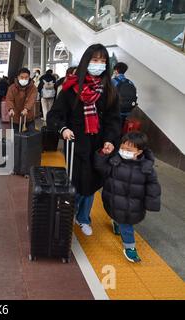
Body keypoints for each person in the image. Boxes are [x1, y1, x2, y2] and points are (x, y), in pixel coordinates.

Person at [47, 43, 121, 236]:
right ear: (86, 62)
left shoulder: (109, 90)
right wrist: (63, 129)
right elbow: (54, 115)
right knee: (76, 183)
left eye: (103, 61)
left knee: (91, 184)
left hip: (99, 147)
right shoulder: (71, 88)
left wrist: (111, 140)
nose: (99, 64)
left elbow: (114, 119)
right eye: (95, 60)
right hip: (76, 145)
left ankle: (83, 218)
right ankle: (69, 213)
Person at [94, 131, 161, 262]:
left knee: (127, 226)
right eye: (122, 148)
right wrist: (103, 154)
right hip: (114, 199)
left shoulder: (146, 169)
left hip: (132, 205)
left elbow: (153, 186)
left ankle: (129, 247)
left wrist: (152, 203)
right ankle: (116, 223)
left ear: (139, 152)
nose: (124, 151)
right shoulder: (115, 161)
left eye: (128, 149)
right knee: (119, 218)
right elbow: (101, 168)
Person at [6, 68, 37, 132]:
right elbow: (9, 99)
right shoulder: (12, 88)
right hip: (15, 116)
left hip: (28, 116)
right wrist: (11, 109)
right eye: (22, 77)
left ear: (29, 77)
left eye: (26, 77)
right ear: (18, 77)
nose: (24, 79)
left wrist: (26, 109)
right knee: (15, 136)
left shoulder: (33, 88)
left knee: (31, 135)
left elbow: (32, 99)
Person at [112, 62, 138, 130]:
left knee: (111, 128)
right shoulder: (130, 82)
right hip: (126, 111)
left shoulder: (113, 81)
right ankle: (119, 138)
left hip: (114, 111)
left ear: (116, 70)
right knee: (120, 127)